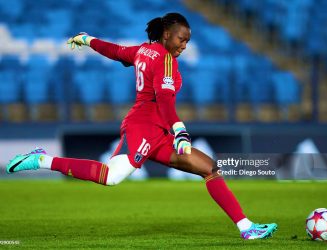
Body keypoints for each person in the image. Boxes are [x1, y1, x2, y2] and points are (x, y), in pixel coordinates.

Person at [6, 13, 277, 240]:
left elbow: (115, 51)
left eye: (188, 41)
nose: (184, 45)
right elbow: (165, 101)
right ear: (167, 35)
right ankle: (40, 159)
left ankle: (246, 228)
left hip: (157, 131)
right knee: (110, 177)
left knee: (209, 169)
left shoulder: (144, 50)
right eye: (181, 39)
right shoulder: (166, 59)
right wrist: (181, 131)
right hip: (144, 126)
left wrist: (87, 39)